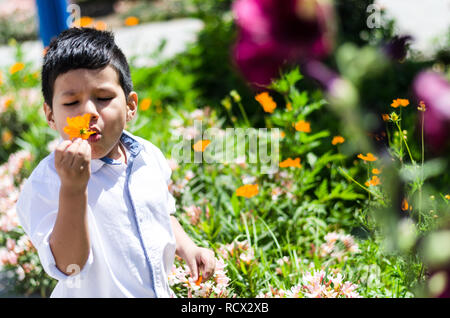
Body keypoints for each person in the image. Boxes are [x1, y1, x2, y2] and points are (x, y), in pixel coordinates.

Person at [16, 27, 216, 297]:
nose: (88, 113)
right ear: (50, 115)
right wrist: (73, 190)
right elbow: (68, 265)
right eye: (72, 102)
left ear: (130, 106)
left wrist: (188, 247)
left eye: (103, 98)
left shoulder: (147, 155)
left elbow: (160, 214)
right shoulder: (47, 181)